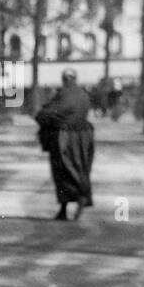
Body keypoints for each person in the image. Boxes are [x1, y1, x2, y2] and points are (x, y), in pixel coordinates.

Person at [34, 68, 94, 221]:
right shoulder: (83, 95)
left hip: (65, 138)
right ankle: (81, 197)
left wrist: (42, 115)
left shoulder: (63, 94)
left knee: (62, 171)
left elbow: (49, 113)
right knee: (81, 169)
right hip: (84, 138)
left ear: (65, 79)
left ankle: (64, 209)